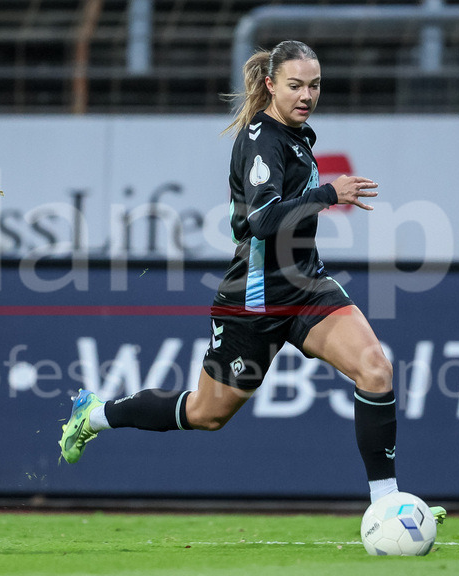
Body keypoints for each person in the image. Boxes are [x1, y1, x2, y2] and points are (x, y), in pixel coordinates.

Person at [59, 40, 401, 504]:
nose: (307, 95)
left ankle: (387, 504)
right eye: (295, 85)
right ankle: (95, 414)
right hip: (254, 302)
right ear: (270, 85)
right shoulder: (262, 142)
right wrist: (327, 194)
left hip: (307, 288)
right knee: (206, 413)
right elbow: (261, 220)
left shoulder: (297, 135)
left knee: (375, 370)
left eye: (314, 85)